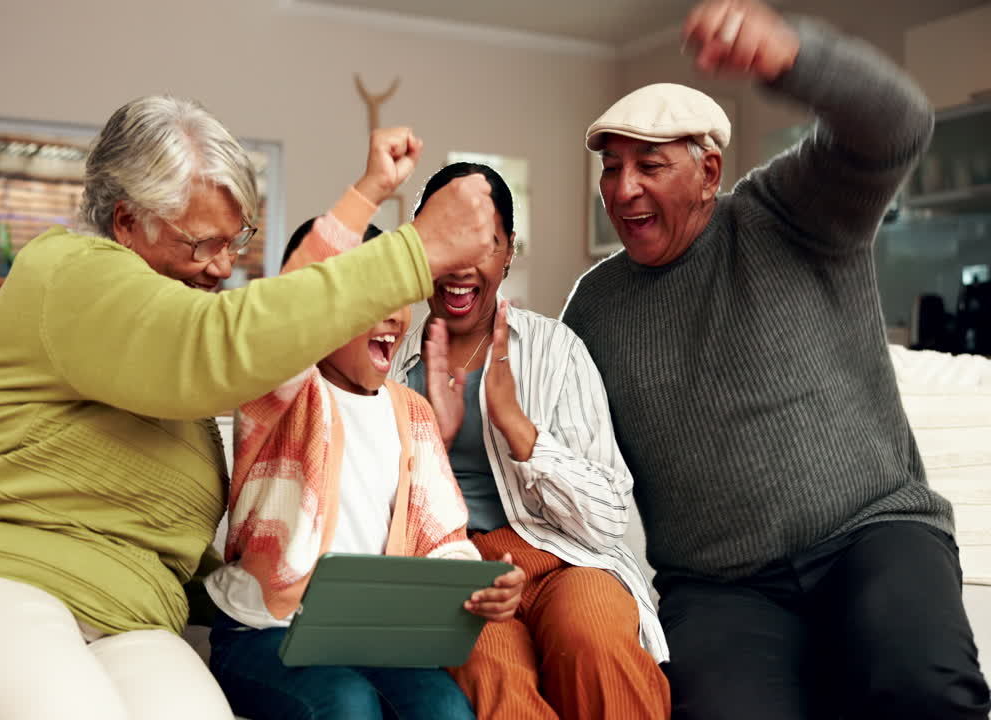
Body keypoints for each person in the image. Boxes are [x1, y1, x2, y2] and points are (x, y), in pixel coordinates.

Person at [0, 98, 498, 720]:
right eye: (203, 244)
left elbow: (152, 515)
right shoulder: (69, 271)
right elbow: (233, 340)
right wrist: (418, 249)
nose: (223, 266)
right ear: (126, 222)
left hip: (126, 622)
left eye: (236, 242)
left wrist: (253, 589)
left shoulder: (169, 377)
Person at [561, 2, 991, 718]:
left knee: (925, 688)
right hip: (723, 588)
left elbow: (898, 125)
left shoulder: (789, 213)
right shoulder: (595, 308)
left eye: (649, 164)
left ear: (708, 171)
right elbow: (563, 448)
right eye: (611, 168)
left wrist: (793, 56)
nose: (622, 188)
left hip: (873, 535)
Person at [206, 139, 528, 720]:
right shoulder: (281, 391)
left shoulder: (413, 413)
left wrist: (477, 586)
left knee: (447, 711)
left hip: (375, 643)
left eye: (396, 296)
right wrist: (369, 190)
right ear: (321, 314)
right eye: (365, 297)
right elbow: (284, 309)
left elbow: (442, 539)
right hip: (264, 633)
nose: (391, 314)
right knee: (348, 706)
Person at [392, 162, 670, 720]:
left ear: (508, 250)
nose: (459, 267)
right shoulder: (389, 369)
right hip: (462, 574)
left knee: (592, 640)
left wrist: (520, 429)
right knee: (491, 672)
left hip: (566, 558)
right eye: (443, 242)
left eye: (483, 242)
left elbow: (609, 517)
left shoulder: (557, 351)